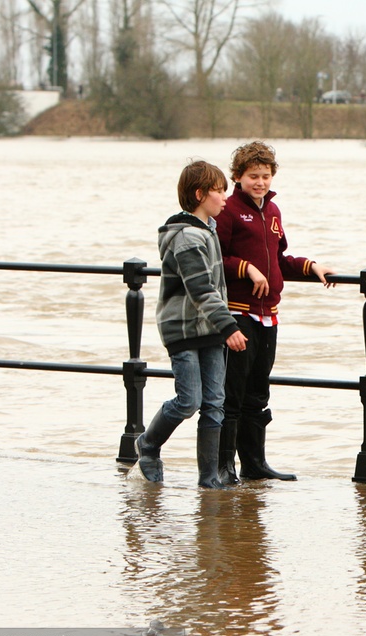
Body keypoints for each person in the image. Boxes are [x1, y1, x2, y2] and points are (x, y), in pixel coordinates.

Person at [216, 141, 336, 485]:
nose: (260, 182)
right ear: (237, 177)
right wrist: (246, 269)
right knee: (232, 395)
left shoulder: (273, 212)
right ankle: (225, 469)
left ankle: (255, 464)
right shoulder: (227, 210)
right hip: (238, 314)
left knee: (258, 394)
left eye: (266, 176)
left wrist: (311, 267)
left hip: (269, 315)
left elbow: (280, 260)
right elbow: (216, 260)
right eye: (253, 176)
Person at [136, 160, 248, 489]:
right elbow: (200, 290)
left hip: (210, 329)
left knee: (215, 403)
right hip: (183, 330)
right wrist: (230, 327)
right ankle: (148, 444)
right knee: (189, 401)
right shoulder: (186, 238)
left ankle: (208, 479)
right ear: (200, 194)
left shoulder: (209, 231)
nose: (225, 197)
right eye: (219, 190)